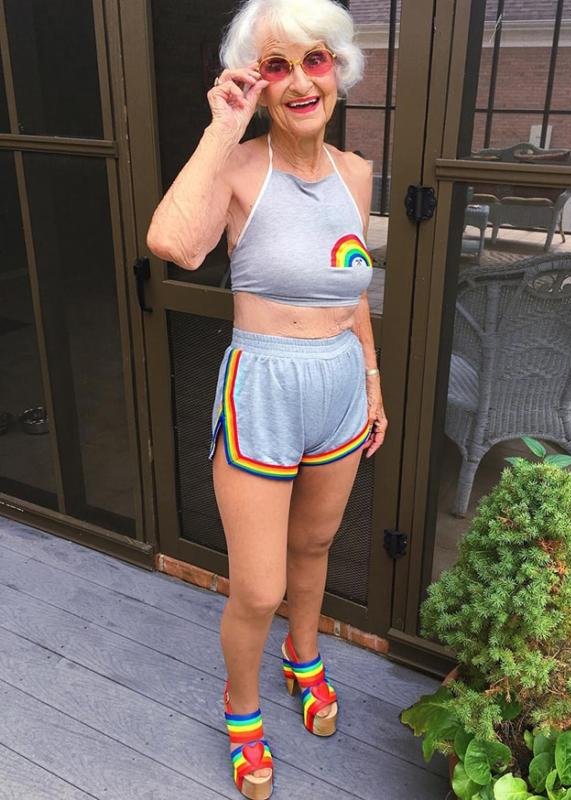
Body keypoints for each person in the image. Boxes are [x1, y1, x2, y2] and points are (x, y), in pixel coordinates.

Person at [146, 0, 387, 796]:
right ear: (257, 82)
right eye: (275, 66)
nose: (298, 82)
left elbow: (350, 285)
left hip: (340, 387)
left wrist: (373, 383)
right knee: (258, 586)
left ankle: (303, 655)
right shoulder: (240, 167)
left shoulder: (356, 173)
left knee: (314, 547)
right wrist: (222, 128)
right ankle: (241, 707)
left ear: (338, 69)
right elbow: (173, 244)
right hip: (264, 388)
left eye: (313, 60)